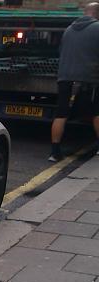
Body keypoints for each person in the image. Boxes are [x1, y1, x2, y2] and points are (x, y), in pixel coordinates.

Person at [50, 2, 99, 162]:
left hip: (65, 78)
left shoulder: (68, 29)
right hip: (89, 79)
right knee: (96, 113)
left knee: (61, 114)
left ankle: (55, 152)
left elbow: (61, 51)